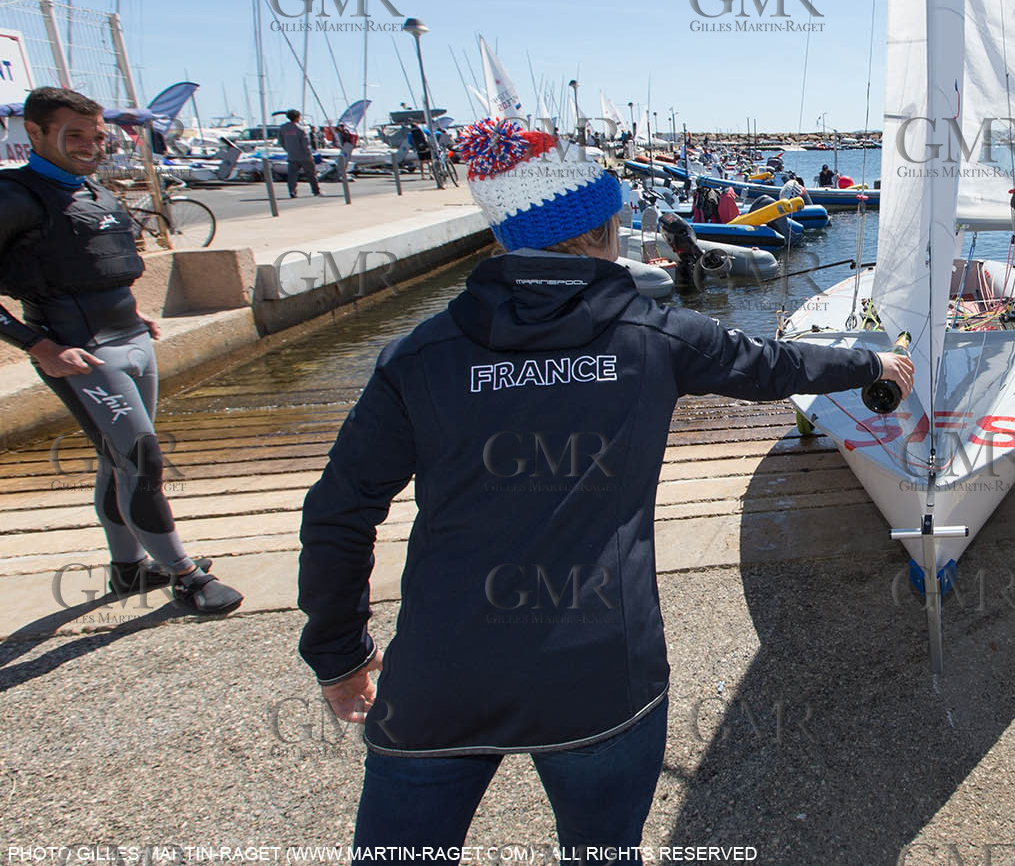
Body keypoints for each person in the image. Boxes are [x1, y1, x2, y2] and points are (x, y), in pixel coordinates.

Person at [298, 117, 911, 858]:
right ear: (598, 233)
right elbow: (775, 365)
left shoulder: (419, 356)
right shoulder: (657, 336)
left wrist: (339, 655)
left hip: (441, 674)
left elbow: (339, 512)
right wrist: (874, 367)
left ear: (502, 241)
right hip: (599, 673)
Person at [0, 87, 243, 614]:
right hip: (81, 353)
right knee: (142, 458)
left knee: (118, 461)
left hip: (132, 341)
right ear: (36, 133)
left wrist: (134, 314)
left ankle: (130, 569)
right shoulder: (14, 196)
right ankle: (185, 576)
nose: (90, 146)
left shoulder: (94, 192)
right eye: (75, 135)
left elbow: (98, 266)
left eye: (97, 136)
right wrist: (38, 346)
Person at [278, 109, 321, 197]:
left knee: (292, 175)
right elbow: (306, 144)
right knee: (311, 174)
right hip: (304, 156)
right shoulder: (301, 129)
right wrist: (309, 155)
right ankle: (316, 191)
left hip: (292, 155)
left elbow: (281, 141)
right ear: (298, 117)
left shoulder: (283, 128)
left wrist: (288, 150)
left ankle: (292, 191)